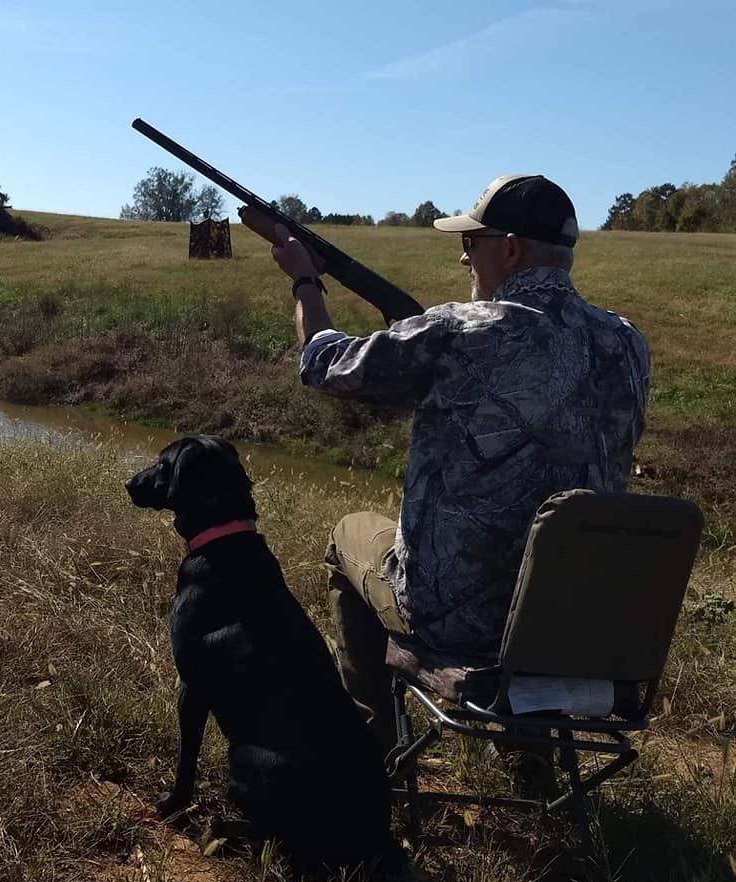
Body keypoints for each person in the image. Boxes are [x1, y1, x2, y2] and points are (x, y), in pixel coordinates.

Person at [270, 174, 650, 753]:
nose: (463, 256)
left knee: (348, 536)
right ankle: (531, 750)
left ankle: (368, 747)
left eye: (471, 243)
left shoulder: (459, 332)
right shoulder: (626, 341)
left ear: (511, 249)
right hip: (578, 623)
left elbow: (325, 364)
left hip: (461, 622)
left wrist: (303, 277)